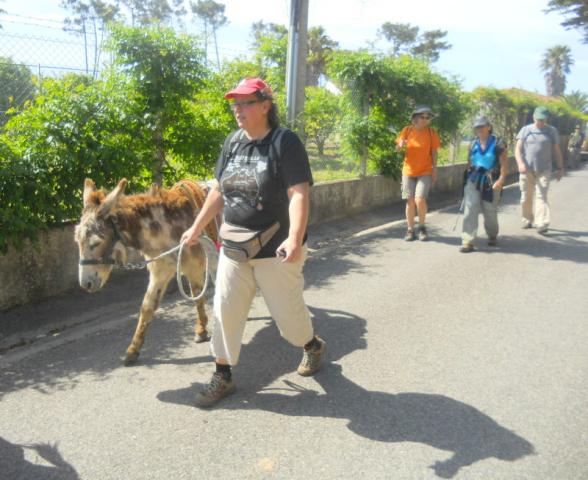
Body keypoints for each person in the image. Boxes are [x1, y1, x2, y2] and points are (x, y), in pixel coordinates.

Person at [181, 77, 326, 408]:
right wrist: (196, 227)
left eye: (246, 102)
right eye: (235, 103)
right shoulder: (233, 142)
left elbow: (298, 193)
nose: (238, 109)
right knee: (225, 312)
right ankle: (223, 374)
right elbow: (218, 190)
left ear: (265, 106)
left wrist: (293, 237)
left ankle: (311, 344)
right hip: (234, 247)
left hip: (274, 249)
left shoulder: (284, 142)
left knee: (288, 321)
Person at [459, 116, 508, 253]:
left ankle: (492, 235)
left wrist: (501, 180)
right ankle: (467, 240)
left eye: (482, 126)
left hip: (491, 181)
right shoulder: (473, 144)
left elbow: (504, 163)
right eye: (477, 127)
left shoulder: (498, 144)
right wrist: (467, 178)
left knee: (490, 211)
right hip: (473, 180)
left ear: (489, 127)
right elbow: (469, 162)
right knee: (470, 208)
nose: (479, 129)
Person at [514, 106, 564, 235]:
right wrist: (520, 164)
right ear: (534, 117)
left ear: (546, 118)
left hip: (544, 170)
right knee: (526, 196)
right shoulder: (526, 130)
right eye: (538, 119)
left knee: (542, 196)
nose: (540, 122)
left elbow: (557, 150)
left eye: (543, 119)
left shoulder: (551, 131)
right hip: (527, 169)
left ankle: (541, 223)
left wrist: (560, 167)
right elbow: (517, 149)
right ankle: (527, 219)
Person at [396, 105, 441, 241]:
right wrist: (400, 144)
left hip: (425, 171)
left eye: (428, 117)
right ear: (416, 117)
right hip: (408, 171)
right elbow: (397, 149)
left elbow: (434, 152)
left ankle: (422, 227)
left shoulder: (431, 132)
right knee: (409, 201)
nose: (425, 119)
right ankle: (410, 230)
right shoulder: (407, 130)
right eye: (423, 117)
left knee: (420, 199)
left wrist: (435, 169)